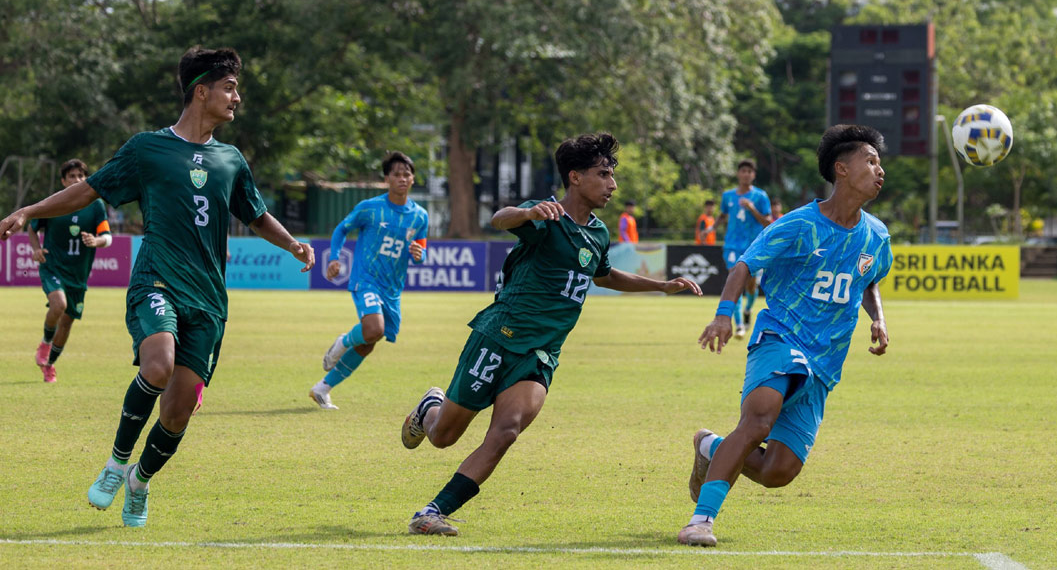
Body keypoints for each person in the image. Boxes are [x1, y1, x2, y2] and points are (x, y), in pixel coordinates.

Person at [0, 47, 315, 528]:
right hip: (157, 279)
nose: (237, 97)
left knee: (179, 409)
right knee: (159, 363)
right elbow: (88, 191)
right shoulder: (147, 148)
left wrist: (293, 245)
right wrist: (29, 211)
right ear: (201, 90)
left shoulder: (231, 159)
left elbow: (253, 214)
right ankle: (115, 464)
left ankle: (139, 481)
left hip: (209, 298)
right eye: (229, 87)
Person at [399, 133, 702, 536]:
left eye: (612, 175)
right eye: (604, 174)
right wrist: (528, 215)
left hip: (541, 353)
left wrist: (660, 286)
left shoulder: (597, 233)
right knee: (443, 437)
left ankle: (432, 511)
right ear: (575, 177)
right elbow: (500, 219)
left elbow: (604, 274)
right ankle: (429, 409)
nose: (612, 184)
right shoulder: (547, 216)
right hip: (498, 335)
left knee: (507, 430)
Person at [678, 125, 893, 547]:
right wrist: (724, 315)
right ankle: (701, 520)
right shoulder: (799, 224)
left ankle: (710, 448)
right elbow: (745, 264)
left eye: (880, 162)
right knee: (758, 419)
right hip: (781, 336)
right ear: (842, 169)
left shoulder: (877, 235)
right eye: (870, 160)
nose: (879, 169)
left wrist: (878, 319)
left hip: (825, 362)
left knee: (778, 472)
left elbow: (868, 280)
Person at [310, 151, 429, 410]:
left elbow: (421, 250)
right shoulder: (371, 208)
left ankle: (323, 388)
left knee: (369, 343)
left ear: (413, 179)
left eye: (406, 174)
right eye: (396, 174)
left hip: (393, 288)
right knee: (372, 330)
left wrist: (420, 254)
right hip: (366, 280)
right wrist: (333, 257)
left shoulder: (420, 216)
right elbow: (342, 228)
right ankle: (342, 341)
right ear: (387, 178)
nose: (402, 178)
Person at [28, 159, 112, 383]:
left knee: (67, 322)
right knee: (59, 304)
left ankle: (49, 365)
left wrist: (97, 241)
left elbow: (108, 237)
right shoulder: (54, 203)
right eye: (72, 176)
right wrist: (36, 249)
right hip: (53, 266)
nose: (77, 180)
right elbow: (32, 225)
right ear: (63, 181)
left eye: (81, 176)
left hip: (78, 274)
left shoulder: (96, 205)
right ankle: (45, 343)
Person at [716, 160, 771, 338]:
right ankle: (739, 325)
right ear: (738, 174)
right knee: (735, 280)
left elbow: (767, 223)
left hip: (753, 246)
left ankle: (748, 309)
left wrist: (752, 208)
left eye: (749, 171)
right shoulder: (728, 196)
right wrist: (711, 228)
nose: (746, 174)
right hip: (732, 246)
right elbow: (723, 215)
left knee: (751, 286)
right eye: (743, 171)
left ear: (753, 175)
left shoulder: (761, 197)